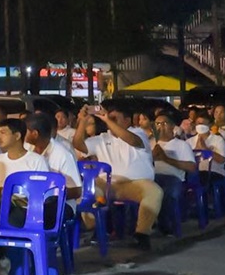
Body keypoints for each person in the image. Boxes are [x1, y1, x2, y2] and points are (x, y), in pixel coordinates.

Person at [72, 104, 164, 249]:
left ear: (127, 120)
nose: (109, 120)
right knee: (87, 191)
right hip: (106, 184)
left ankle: (142, 235)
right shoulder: (102, 138)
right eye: (109, 117)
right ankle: (97, 228)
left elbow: (132, 141)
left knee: (154, 192)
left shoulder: (138, 132)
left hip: (134, 184)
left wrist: (107, 120)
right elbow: (78, 145)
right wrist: (82, 121)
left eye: (115, 118)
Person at [151, 112, 200, 230]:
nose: (160, 127)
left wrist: (166, 159)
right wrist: (151, 157)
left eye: (164, 123)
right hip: (152, 176)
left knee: (167, 193)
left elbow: (191, 167)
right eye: (157, 124)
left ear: (172, 126)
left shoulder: (181, 145)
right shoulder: (150, 143)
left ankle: (166, 224)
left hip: (173, 178)